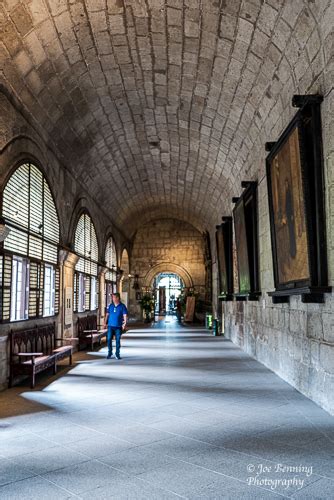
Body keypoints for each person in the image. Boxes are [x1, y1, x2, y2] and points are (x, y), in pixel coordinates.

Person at [104, 292, 128, 360]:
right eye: (112, 297)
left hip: (118, 326)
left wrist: (125, 323)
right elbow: (107, 315)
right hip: (110, 326)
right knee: (108, 339)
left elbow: (125, 315)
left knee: (117, 340)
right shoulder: (111, 306)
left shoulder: (122, 306)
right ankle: (110, 352)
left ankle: (117, 354)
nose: (113, 298)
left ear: (117, 298)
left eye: (114, 297)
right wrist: (105, 323)